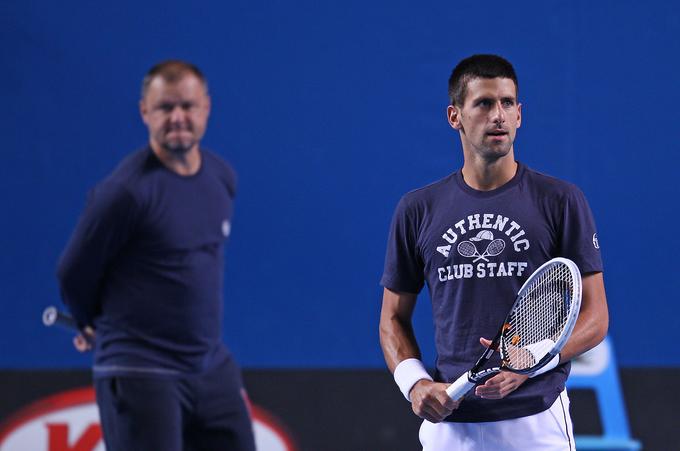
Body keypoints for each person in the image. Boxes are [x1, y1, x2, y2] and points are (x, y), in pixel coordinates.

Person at [379, 54, 609, 450]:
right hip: (450, 429)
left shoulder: (561, 201)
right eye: (484, 103)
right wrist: (414, 383)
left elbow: (596, 317)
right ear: (455, 116)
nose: (498, 115)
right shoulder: (417, 209)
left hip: (536, 425)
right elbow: (392, 319)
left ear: (520, 115)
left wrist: (533, 364)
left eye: (507, 103)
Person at [57, 60, 256, 451]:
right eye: (165, 107)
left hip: (209, 367)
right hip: (139, 369)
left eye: (188, 105)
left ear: (206, 108)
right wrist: (87, 320)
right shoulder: (124, 194)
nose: (178, 117)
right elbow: (72, 274)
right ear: (144, 112)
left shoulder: (220, 176)